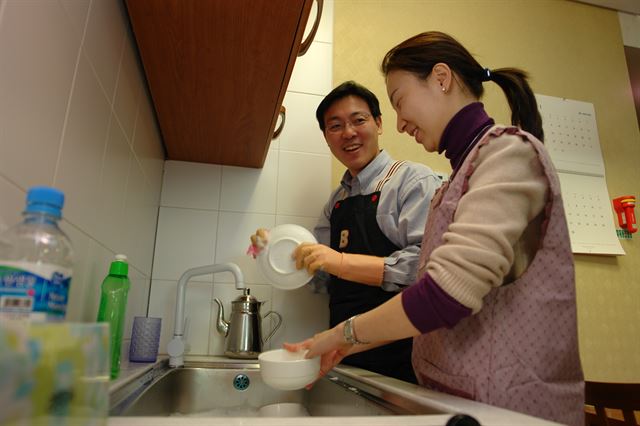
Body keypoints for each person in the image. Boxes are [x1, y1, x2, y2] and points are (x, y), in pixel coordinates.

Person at [285, 32, 584, 425]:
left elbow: (445, 295)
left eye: (399, 100)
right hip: (459, 399)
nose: (399, 121)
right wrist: (348, 346)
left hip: (511, 405)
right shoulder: (455, 181)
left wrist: (343, 335)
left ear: (441, 78)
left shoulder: (509, 154)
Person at [251, 81, 441, 384]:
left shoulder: (412, 181)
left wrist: (339, 262)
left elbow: (426, 268)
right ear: (327, 138)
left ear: (379, 124)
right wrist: (274, 252)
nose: (348, 133)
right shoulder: (336, 202)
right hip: (347, 358)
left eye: (358, 120)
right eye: (335, 126)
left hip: (406, 358)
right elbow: (320, 280)